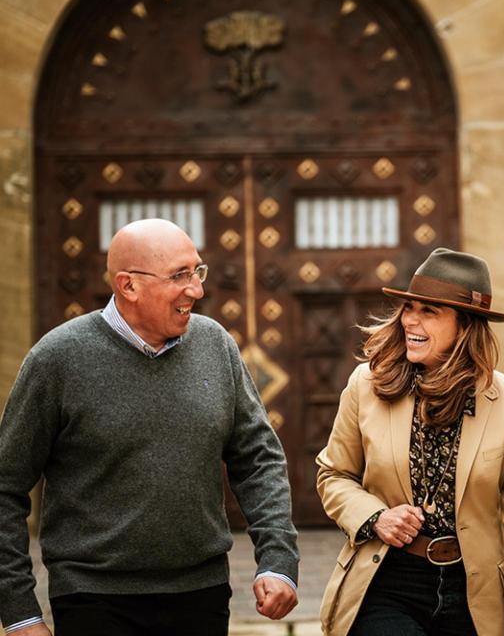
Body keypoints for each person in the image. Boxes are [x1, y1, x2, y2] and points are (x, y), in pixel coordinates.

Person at [0, 219, 299, 636]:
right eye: (179, 276)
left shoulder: (215, 345)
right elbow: (6, 486)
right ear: (128, 286)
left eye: (197, 271)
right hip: (93, 599)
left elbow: (258, 460)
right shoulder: (57, 359)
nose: (196, 289)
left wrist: (279, 561)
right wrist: (19, 614)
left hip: (202, 594)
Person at [316, 248, 504, 636]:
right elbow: (334, 475)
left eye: (429, 311)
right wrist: (376, 517)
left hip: (473, 590)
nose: (410, 320)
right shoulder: (366, 385)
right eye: (409, 308)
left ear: (465, 325)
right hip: (386, 580)